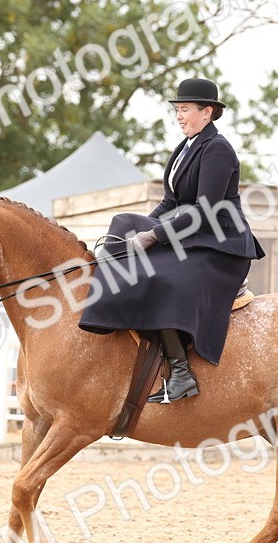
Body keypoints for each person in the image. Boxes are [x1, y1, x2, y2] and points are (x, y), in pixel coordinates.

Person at [78, 78, 265, 402]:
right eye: (177, 110)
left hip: (220, 244)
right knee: (123, 223)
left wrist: (154, 235)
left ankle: (181, 374)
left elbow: (206, 210)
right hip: (193, 235)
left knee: (164, 280)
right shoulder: (185, 147)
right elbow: (170, 203)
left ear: (207, 112)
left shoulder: (217, 149)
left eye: (185, 110)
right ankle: (108, 313)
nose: (179, 116)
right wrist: (142, 226)